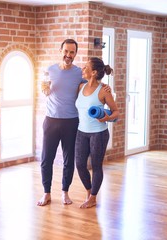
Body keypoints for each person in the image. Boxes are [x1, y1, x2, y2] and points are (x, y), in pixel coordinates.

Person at [37, 39, 111, 206]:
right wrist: (44, 90)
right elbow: (45, 90)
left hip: (71, 122)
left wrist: (106, 87)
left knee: (69, 160)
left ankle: (65, 192)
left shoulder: (79, 73)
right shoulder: (50, 70)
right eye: (66, 51)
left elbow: (94, 83)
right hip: (51, 120)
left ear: (75, 54)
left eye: (72, 52)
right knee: (46, 158)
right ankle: (46, 193)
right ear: (60, 50)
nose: (68, 55)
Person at [75, 57, 119, 208]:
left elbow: (116, 112)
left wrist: (107, 117)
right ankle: (89, 192)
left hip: (98, 134)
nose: (83, 69)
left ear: (93, 72)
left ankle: (93, 197)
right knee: (80, 165)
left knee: (96, 165)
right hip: (81, 132)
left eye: (86, 67)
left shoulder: (103, 91)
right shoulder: (81, 87)